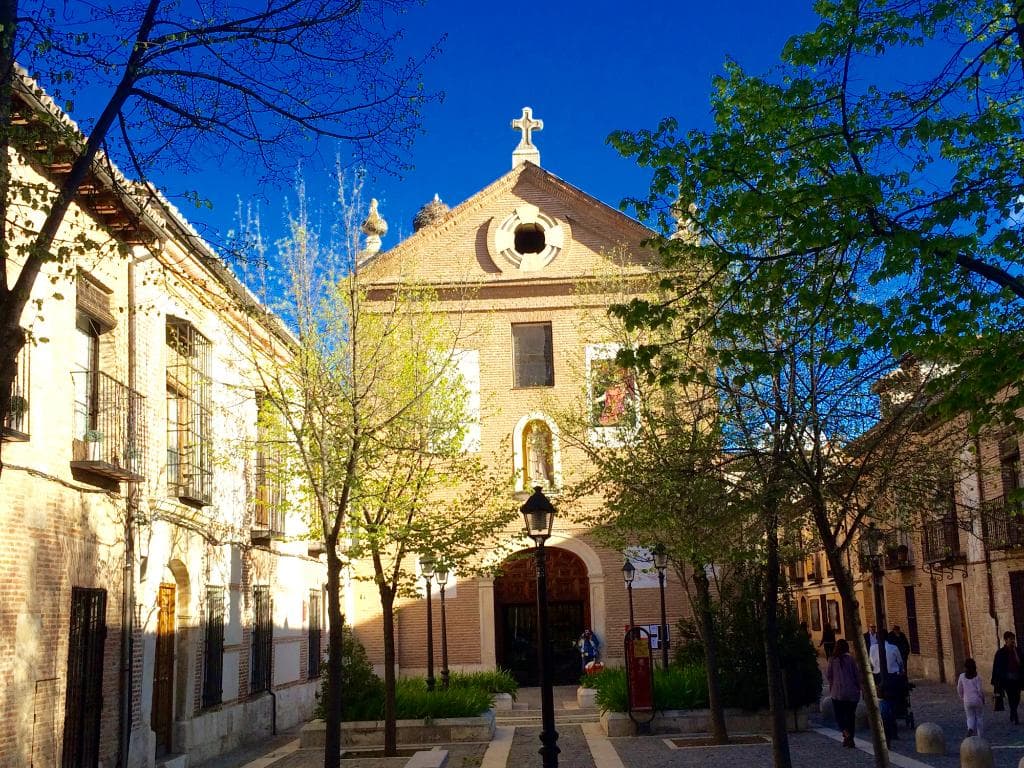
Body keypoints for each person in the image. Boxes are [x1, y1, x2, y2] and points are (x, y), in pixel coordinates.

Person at [827, 639, 861, 748]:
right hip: (851, 692)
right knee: (850, 716)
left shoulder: (832, 659)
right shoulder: (851, 659)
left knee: (839, 716)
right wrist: (858, 687)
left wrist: (832, 685)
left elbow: (829, 675)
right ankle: (850, 738)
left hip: (837, 693)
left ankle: (847, 734)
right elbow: (857, 674)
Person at [992, 631, 1023, 724]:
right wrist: (996, 681)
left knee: (1017, 697)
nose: (1012, 641)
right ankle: (1015, 715)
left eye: (1013, 639)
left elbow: (1020, 663)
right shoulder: (1000, 653)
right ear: (1006, 640)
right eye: (1010, 639)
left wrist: (1014, 651)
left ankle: (1013, 712)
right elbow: (996, 667)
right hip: (1007, 679)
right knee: (1011, 697)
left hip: (1017, 678)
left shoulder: (1017, 650)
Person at [958, 657, 985, 737]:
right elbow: (980, 690)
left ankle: (970, 729)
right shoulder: (977, 677)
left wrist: (962, 696)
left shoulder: (962, 676)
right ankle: (980, 736)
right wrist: (983, 698)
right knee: (979, 717)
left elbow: (959, 688)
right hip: (977, 700)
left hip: (967, 700)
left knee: (970, 717)